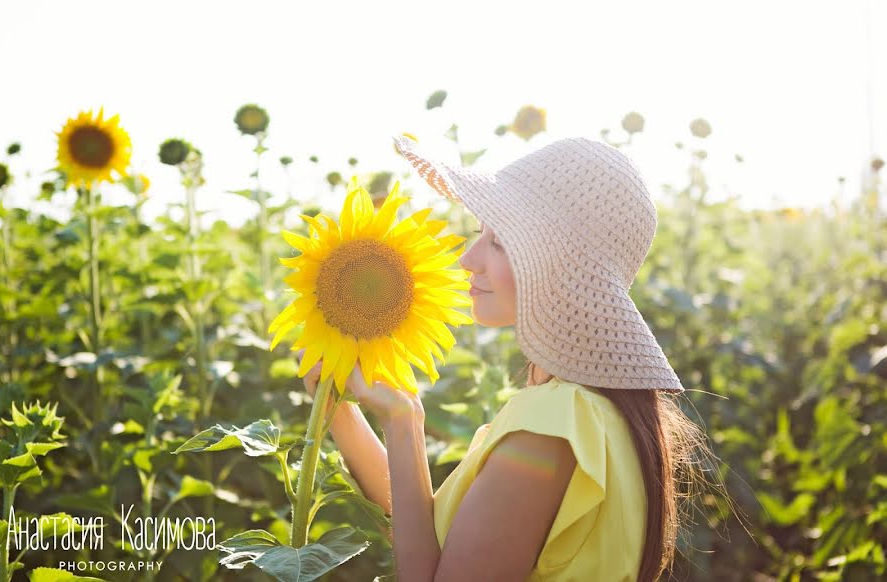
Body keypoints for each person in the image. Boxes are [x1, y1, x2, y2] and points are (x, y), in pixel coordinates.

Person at [297, 134, 717, 582]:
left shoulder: (553, 423)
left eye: (499, 242)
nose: (466, 258)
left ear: (554, 265)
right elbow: (439, 540)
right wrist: (345, 409)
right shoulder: (594, 416)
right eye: (482, 233)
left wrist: (401, 425)